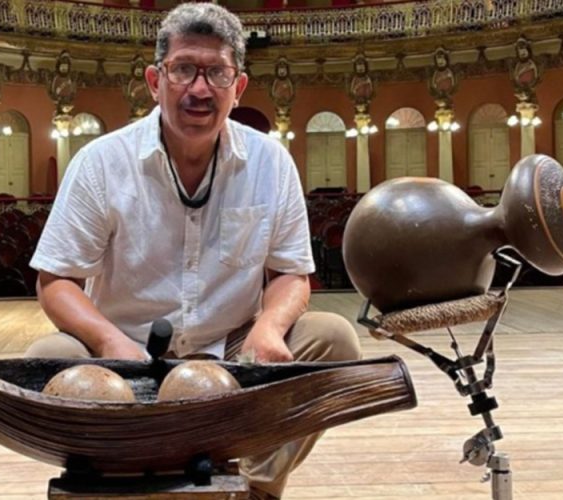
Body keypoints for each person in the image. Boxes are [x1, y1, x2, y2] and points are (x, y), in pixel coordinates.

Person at [26, 3, 360, 499]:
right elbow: (55, 281)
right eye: (183, 69)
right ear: (154, 80)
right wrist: (108, 343)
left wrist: (268, 328)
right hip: (125, 347)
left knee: (334, 339)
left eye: (216, 73)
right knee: (48, 356)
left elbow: (290, 274)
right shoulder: (101, 162)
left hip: (232, 345)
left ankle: (253, 488)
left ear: (238, 86)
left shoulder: (272, 162)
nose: (199, 89)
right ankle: (116, 485)